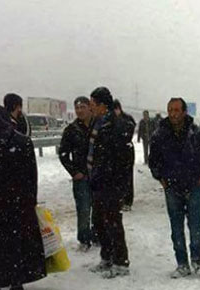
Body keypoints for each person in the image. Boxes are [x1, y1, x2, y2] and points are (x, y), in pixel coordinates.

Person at [149, 98, 200, 278]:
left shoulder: (196, 133)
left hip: (194, 186)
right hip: (171, 187)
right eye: (170, 110)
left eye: (177, 110)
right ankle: (182, 264)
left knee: (195, 226)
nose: (173, 113)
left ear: (184, 112)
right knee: (176, 227)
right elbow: (153, 160)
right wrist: (160, 177)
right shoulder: (159, 135)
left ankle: (196, 261)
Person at [0, 105, 46, 290]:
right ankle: (16, 281)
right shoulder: (23, 142)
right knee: (17, 246)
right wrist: (30, 201)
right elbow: (31, 177)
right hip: (18, 206)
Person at [87, 87, 131, 279]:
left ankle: (121, 261)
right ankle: (106, 257)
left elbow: (123, 159)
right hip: (98, 181)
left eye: (92, 104)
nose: (90, 107)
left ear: (102, 105)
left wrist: (119, 185)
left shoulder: (116, 126)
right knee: (99, 221)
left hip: (111, 183)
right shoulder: (98, 123)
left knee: (113, 222)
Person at [59, 96, 95, 251]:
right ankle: (84, 239)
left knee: (99, 208)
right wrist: (74, 171)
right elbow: (63, 153)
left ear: (89, 107)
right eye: (77, 108)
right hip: (81, 176)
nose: (80, 111)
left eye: (82, 107)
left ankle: (99, 235)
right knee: (83, 208)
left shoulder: (98, 126)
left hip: (98, 175)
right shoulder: (71, 130)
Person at [113, 100, 136, 211]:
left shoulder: (126, 119)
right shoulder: (111, 120)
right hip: (116, 153)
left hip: (126, 152)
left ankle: (127, 200)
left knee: (127, 178)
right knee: (117, 178)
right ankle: (119, 200)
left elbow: (129, 132)